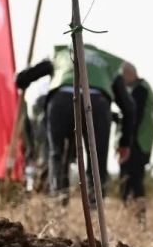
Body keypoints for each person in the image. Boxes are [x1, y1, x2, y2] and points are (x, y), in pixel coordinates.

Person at [15, 44, 136, 200]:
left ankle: (58, 201)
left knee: (56, 155)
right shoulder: (107, 61)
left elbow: (23, 78)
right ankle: (95, 205)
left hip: (61, 101)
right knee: (97, 159)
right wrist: (124, 143)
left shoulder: (61, 53)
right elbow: (129, 107)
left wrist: (22, 79)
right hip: (97, 102)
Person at [117, 62, 153, 220]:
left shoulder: (139, 90)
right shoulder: (141, 88)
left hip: (136, 144)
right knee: (131, 183)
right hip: (138, 143)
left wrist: (125, 143)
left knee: (131, 184)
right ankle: (134, 220)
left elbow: (133, 119)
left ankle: (137, 220)